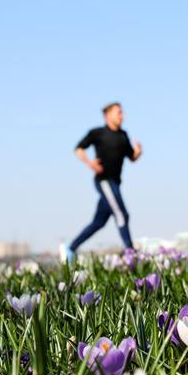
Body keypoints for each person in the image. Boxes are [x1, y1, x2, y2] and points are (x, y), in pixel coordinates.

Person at [60, 102, 143, 263]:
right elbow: (78, 149)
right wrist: (90, 163)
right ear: (107, 115)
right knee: (122, 214)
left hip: (115, 183)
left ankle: (71, 248)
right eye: (119, 112)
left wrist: (138, 153)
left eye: (122, 113)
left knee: (99, 222)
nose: (122, 116)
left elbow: (132, 157)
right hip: (104, 181)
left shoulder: (123, 136)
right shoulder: (97, 133)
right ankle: (130, 254)